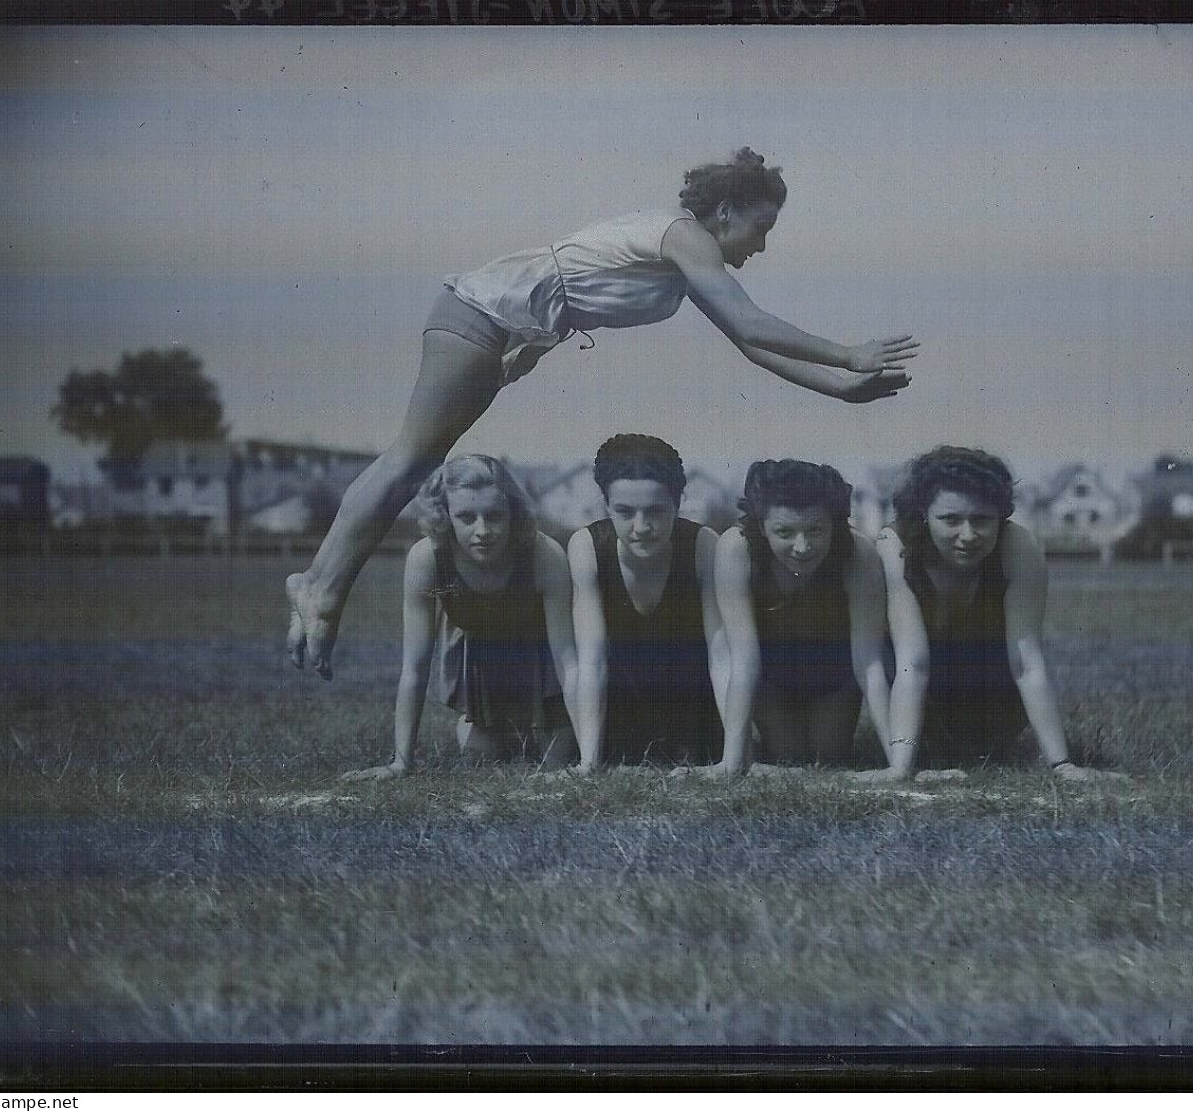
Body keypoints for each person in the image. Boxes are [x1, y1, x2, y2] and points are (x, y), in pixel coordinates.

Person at [289, 147, 918, 680]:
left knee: (416, 460)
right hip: (484, 314)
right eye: (761, 224)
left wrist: (840, 389)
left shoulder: (685, 262)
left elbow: (749, 345)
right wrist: (850, 354)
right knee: (410, 457)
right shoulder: (686, 236)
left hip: (497, 326)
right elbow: (753, 321)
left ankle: (322, 586)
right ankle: (319, 584)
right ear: (724, 212)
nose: (762, 243)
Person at [853, 446, 1123, 784]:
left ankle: (963, 748)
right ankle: (910, 751)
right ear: (922, 515)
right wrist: (900, 768)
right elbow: (913, 662)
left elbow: (1026, 662)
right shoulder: (894, 545)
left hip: (989, 698)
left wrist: (1062, 765)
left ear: (1001, 516)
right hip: (915, 691)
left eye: (982, 520)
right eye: (950, 520)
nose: (968, 536)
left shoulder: (1019, 547)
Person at [341, 455, 579, 780]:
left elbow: (569, 661)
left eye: (495, 516)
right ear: (445, 515)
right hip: (484, 669)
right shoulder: (427, 559)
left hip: (545, 672)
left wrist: (588, 757)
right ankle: (483, 722)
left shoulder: (544, 554)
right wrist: (401, 761)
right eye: (466, 517)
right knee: (482, 755)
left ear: (513, 513)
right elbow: (414, 666)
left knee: (555, 758)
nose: (482, 531)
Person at [685, 459, 892, 776]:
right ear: (761, 525)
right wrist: (733, 762)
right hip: (772, 678)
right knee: (788, 755)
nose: (802, 547)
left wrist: (898, 762)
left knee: (829, 755)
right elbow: (742, 657)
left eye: (816, 530)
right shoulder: (736, 549)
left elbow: (868, 659)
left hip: (833, 675)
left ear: (834, 524)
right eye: (784, 531)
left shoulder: (857, 552)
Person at [568, 434, 728, 770]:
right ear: (605, 506)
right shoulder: (587, 547)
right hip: (618, 711)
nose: (641, 527)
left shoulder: (703, 545)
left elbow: (722, 656)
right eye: (625, 512)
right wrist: (588, 763)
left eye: (656, 511)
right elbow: (591, 659)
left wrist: (733, 758)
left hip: (690, 713)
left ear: (678, 503)